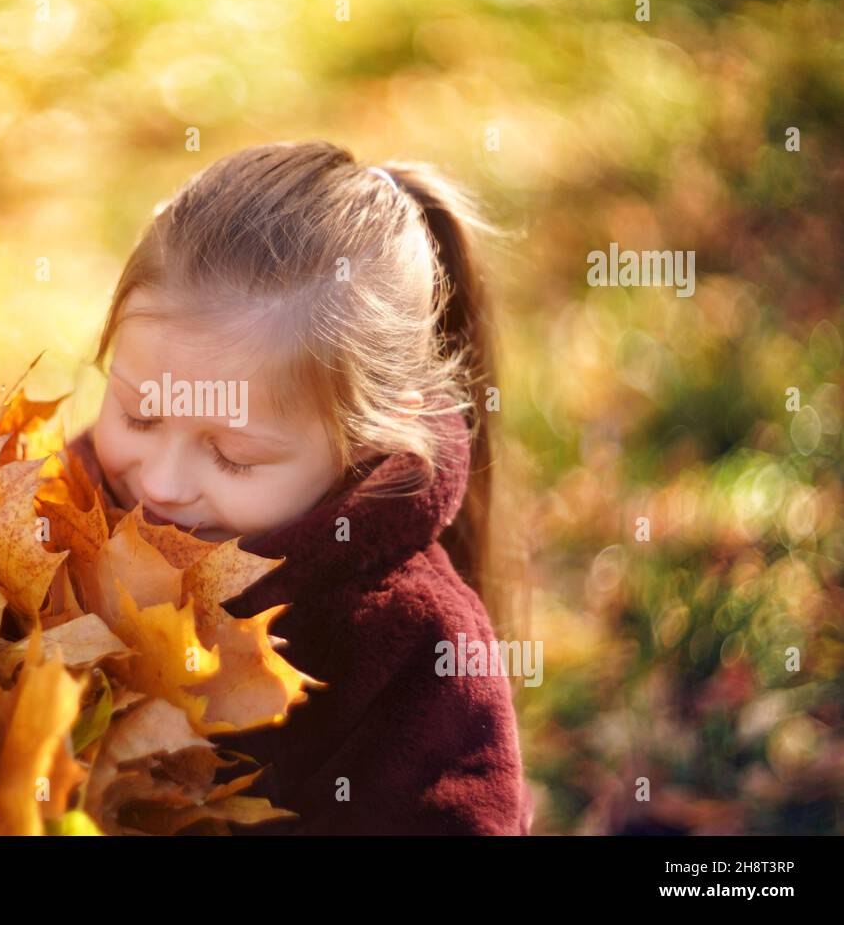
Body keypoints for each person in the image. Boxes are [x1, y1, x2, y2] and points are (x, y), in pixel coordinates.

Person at [65, 139, 534, 834]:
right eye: (138, 414)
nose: (159, 484)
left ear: (370, 438)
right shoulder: (54, 517)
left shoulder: (418, 649)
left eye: (232, 457)